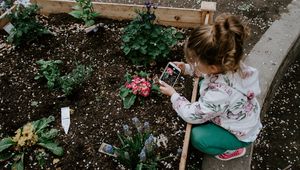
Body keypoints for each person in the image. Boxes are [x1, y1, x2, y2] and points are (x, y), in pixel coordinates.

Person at [159, 13, 262, 161]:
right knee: (203, 85)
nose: (194, 63)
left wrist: (174, 95)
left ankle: (233, 149)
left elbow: (191, 115)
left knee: (197, 137)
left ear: (213, 67)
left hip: (239, 133)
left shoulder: (219, 94)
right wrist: (187, 69)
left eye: (196, 61)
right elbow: (206, 73)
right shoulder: (231, 64)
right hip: (241, 115)